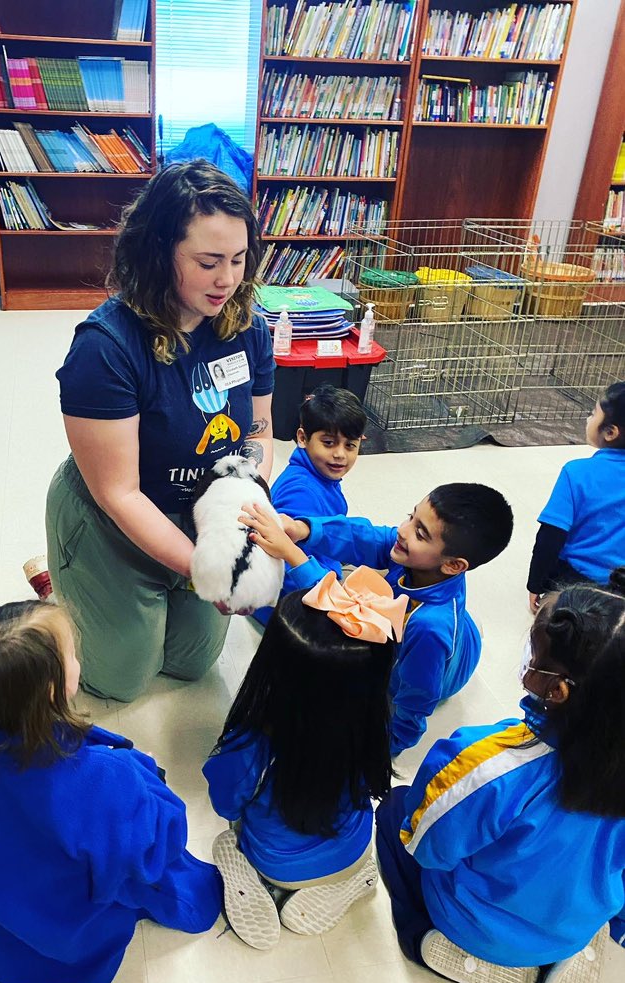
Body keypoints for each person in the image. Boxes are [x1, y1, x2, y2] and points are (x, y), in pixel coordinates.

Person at [46, 159, 275, 702]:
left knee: (191, 666)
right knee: (119, 680)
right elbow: (120, 494)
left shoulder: (249, 326)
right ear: (157, 254)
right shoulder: (105, 347)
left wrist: (246, 508)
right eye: (208, 261)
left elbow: (260, 433)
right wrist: (203, 569)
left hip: (201, 507)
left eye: (239, 260)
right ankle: (59, 582)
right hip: (113, 512)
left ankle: (136, 599)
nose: (227, 279)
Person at [0, 601, 221, 983]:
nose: (78, 659)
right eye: (72, 653)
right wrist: (146, 775)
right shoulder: (105, 780)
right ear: (54, 688)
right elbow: (159, 846)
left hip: (2, 917)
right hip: (74, 935)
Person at [374, 571, 625, 983]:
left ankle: (438, 945)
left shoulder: (489, 763)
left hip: (477, 926)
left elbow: (426, 846)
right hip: (578, 924)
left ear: (558, 690)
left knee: (394, 813)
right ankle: (571, 949)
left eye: (534, 654)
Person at [203, 567, 405, 949]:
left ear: (273, 667)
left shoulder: (253, 746)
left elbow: (224, 799)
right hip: (357, 845)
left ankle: (260, 880)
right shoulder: (373, 727)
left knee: (231, 831)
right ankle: (349, 879)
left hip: (277, 862)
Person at [240, 484, 513, 756]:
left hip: (436, 666)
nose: (403, 531)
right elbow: (370, 538)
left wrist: (380, 749)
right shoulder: (425, 561)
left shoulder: (428, 627)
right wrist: (306, 530)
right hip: (454, 632)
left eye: (419, 532)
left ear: (453, 565)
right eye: (411, 516)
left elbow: (415, 704)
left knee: (341, 631)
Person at [252, 384, 366, 626]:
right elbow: (285, 563)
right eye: (328, 443)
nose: (340, 455)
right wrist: (335, 593)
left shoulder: (321, 475)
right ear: (302, 438)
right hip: (295, 602)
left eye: (350, 445)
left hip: (318, 573)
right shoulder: (301, 492)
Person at [526, 380, 625, 613]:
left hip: (575, 582)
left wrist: (535, 584)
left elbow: (551, 536)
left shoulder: (577, 473)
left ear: (610, 432)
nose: (588, 419)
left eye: (593, 414)